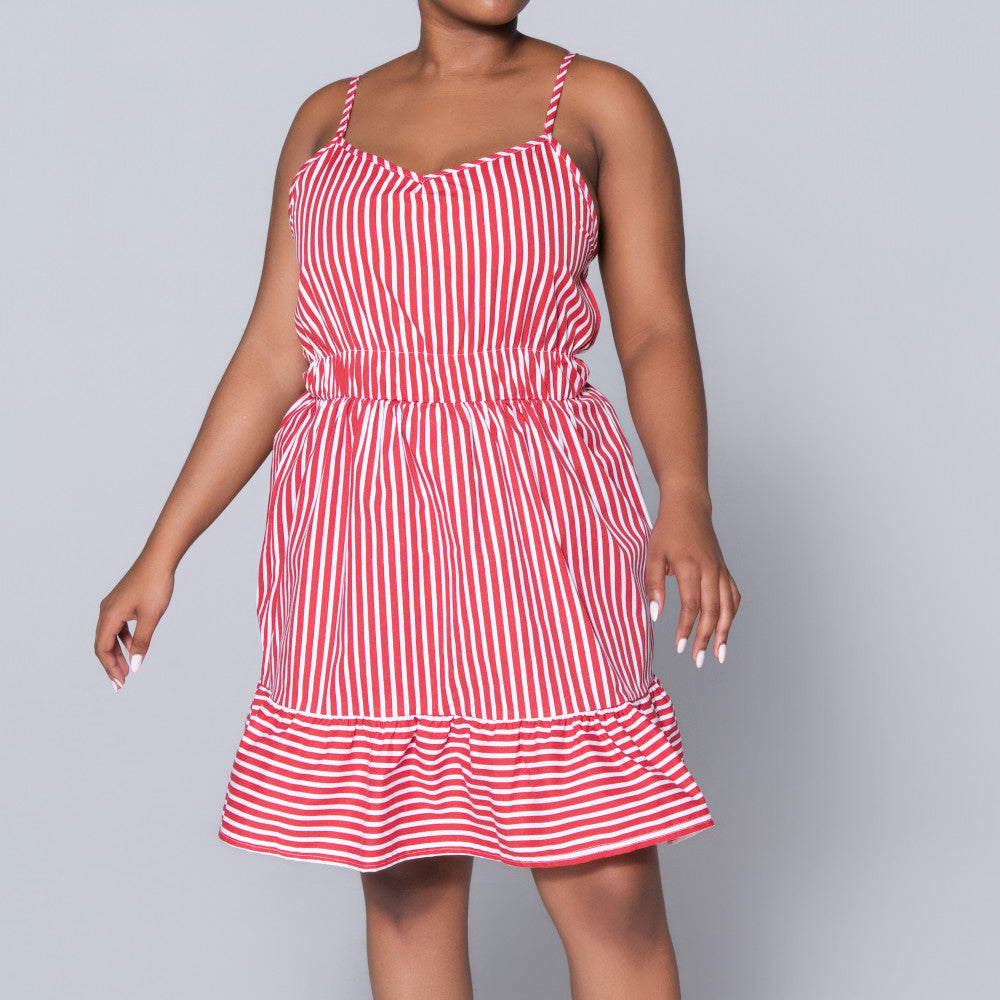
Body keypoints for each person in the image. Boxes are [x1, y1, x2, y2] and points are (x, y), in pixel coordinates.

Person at [94, 5, 740, 998]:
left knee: (606, 881)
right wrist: (162, 549)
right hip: (358, 525)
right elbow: (273, 351)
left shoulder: (599, 103)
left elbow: (653, 325)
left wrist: (685, 493)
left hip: (537, 515)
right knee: (406, 882)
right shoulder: (328, 119)